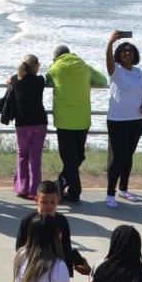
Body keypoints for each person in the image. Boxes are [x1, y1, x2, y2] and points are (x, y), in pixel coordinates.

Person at [46, 45, 108, 206]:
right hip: (82, 119)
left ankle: (71, 190)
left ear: (56, 57)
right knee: (78, 156)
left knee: (69, 158)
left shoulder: (55, 68)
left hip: (64, 120)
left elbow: (45, 81)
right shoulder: (84, 67)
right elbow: (102, 80)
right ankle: (65, 183)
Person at [105, 32, 142, 209]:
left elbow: (141, 91)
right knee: (119, 157)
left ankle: (123, 189)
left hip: (137, 120)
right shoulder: (115, 70)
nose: (127, 53)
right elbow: (108, 61)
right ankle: (110, 193)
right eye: (123, 50)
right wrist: (110, 42)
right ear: (118, 54)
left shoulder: (138, 72)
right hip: (118, 120)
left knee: (128, 156)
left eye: (130, 50)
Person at [8, 55, 49, 199]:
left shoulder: (15, 80)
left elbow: (12, 79)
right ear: (36, 66)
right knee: (35, 157)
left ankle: (22, 187)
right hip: (39, 122)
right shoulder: (40, 80)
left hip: (22, 124)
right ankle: (34, 190)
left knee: (22, 155)